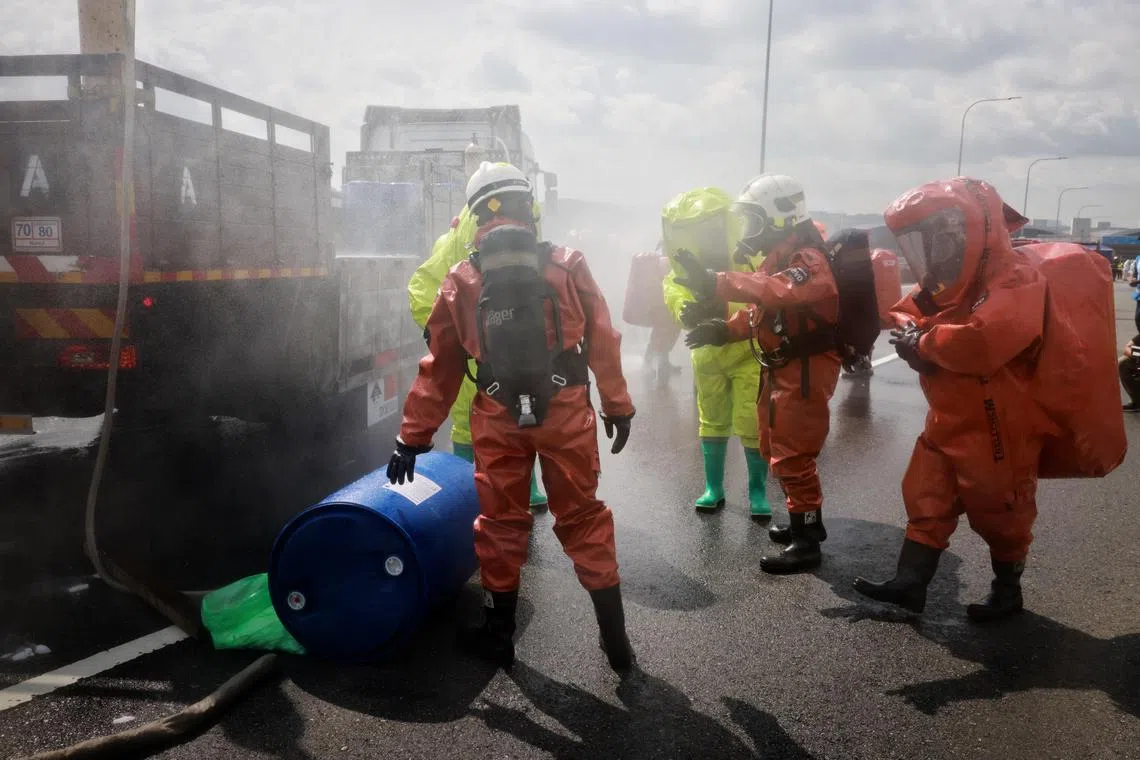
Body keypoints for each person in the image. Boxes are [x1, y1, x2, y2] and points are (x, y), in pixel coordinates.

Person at [388, 161, 637, 673]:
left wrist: (411, 438)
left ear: (476, 214)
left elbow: (440, 366)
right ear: (530, 205)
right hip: (566, 411)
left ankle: (498, 636)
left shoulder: (461, 277)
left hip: (498, 415)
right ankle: (616, 643)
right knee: (584, 517)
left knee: (501, 523)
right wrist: (617, 405)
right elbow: (604, 339)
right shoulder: (568, 264)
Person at [852, 177, 1050, 621]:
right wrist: (913, 337)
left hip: (1000, 425)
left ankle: (1007, 590)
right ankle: (910, 584)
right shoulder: (944, 282)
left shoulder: (1016, 277)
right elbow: (907, 310)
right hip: (947, 418)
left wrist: (922, 341)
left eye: (943, 234)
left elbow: (985, 342)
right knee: (927, 495)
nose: (935, 246)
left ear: (973, 229)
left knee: (1002, 512)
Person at [677, 174, 840, 573]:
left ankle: (806, 544)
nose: (748, 230)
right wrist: (721, 330)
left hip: (803, 370)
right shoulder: (781, 258)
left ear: (779, 219)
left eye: (754, 220)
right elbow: (759, 309)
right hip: (783, 367)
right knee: (773, 446)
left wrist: (716, 282)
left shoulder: (808, 261)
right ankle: (805, 522)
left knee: (792, 452)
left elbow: (775, 292)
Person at [406, 144, 548, 509]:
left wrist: (439, 331)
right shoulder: (528, 227)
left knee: (488, 425)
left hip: (476, 357)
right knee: (519, 415)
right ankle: (498, 495)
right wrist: (439, 330)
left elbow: (422, 285)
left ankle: (473, 504)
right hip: (500, 349)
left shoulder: (453, 238)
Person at [660, 187, 769, 518]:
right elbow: (673, 289)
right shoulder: (687, 266)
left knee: (750, 420)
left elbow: (761, 293)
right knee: (711, 419)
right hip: (706, 354)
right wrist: (685, 311)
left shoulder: (749, 258)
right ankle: (714, 488)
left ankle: (757, 492)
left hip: (746, 350)